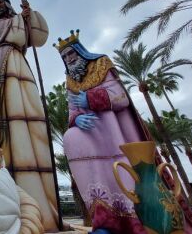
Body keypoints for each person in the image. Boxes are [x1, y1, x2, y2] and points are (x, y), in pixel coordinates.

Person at [54, 30, 147, 233]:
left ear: (81, 52)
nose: (68, 59)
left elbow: (121, 97)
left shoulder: (102, 64)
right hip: (89, 132)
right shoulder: (70, 81)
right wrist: (77, 118)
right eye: (64, 57)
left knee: (118, 169)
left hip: (114, 132)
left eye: (71, 54)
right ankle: (104, 218)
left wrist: (91, 99)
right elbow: (72, 110)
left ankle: (131, 219)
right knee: (71, 139)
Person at [0, 0, 59, 231]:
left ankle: (47, 209)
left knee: (31, 110)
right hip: (4, 61)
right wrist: (22, 20)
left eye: (1, 2)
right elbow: (14, 35)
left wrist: (30, 16)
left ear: (8, 4)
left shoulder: (17, 18)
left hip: (20, 61)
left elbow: (36, 39)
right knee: (11, 110)